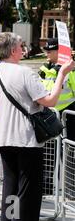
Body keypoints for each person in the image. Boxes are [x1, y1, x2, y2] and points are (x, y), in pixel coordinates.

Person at [0, 32, 75, 221]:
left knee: (11, 189)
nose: (24, 49)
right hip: (26, 140)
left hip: (4, 138)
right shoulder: (24, 73)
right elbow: (50, 101)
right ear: (13, 50)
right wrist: (62, 75)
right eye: (21, 46)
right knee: (27, 194)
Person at [38, 38, 75, 197]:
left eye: (50, 50)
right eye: (46, 50)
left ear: (60, 52)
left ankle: (71, 190)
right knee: (48, 152)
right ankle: (46, 188)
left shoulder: (71, 70)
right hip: (49, 115)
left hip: (68, 115)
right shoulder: (43, 69)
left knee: (69, 152)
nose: (47, 53)